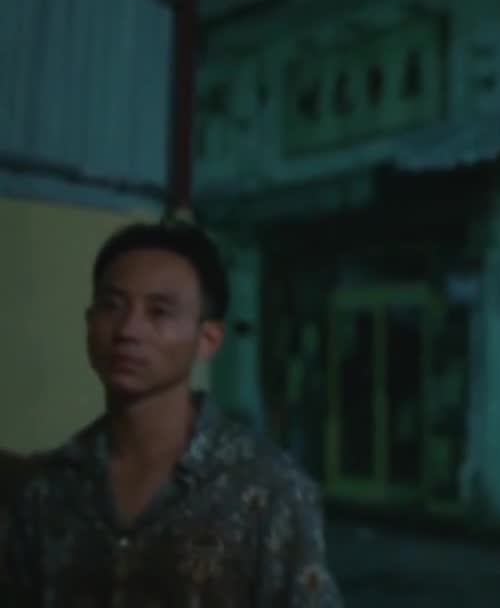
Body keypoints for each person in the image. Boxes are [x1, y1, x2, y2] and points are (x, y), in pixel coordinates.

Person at [0, 220, 341, 606]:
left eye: (158, 312)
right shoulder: (52, 488)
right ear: (90, 323)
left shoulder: (268, 489)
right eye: (112, 306)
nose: (128, 330)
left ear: (207, 339)